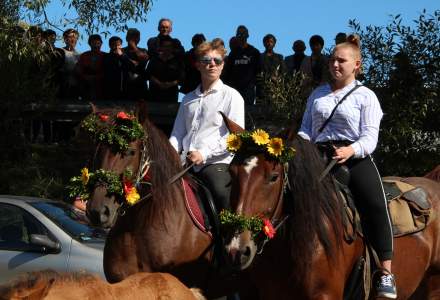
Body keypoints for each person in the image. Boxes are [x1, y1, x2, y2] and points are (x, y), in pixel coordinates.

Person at [298, 34, 396, 299]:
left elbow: (370, 138)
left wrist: (351, 150)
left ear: (357, 65)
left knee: (375, 204)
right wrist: (301, 148)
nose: (335, 65)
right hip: (317, 157)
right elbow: (306, 129)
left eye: (342, 60)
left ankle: (385, 272)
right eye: (332, 60)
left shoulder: (367, 96)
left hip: (354, 157)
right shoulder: (317, 95)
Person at [169, 39, 245, 212]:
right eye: (206, 61)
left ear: (222, 65)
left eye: (217, 61)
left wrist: (203, 154)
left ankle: (229, 236)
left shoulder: (232, 96)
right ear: (198, 65)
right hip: (183, 163)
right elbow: (177, 134)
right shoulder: (188, 99)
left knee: (221, 193)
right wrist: (169, 155)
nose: (212, 64)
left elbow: (235, 138)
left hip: (216, 164)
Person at [223, 25, 261, 105]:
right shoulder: (233, 53)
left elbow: (259, 70)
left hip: (249, 89)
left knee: (248, 113)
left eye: (243, 34)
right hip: (235, 89)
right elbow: (228, 71)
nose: (241, 37)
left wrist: (253, 83)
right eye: (239, 35)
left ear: (247, 35)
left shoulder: (254, 52)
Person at [146, 36, 185, 102]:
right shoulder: (154, 60)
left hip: (171, 96)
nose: (167, 48)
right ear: (161, 47)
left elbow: (182, 78)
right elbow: (147, 74)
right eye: (165, 46)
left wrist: (170, 84)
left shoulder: (178, 61)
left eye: (169, 46)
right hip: (154, 95)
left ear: (172, 48)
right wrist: (159, 83)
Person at [122, 28, 149, 100]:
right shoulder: (121, 51)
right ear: (127, 38)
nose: (133, 39)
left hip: (140, 86)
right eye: (131, 37)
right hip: (125, 86)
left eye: (136, 37)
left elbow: (143, 61)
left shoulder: (144, 51)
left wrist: (134, 47)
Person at [77, 34, 105, 100]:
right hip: (86, 84)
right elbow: (78, 69)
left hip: (101, 85)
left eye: (98, 43)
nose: (96, 45)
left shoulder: (105, 56)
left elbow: (108, 71)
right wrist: (85, 77)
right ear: (90, 44)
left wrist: (97, 77)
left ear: (101, 44)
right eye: (94, 43)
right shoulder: (84, 55)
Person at [60, 28, 80, 99]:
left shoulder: (79, 55)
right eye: (70, 37)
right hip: (61, 86)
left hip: (75, 86)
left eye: (75, 37)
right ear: (65, 39)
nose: (73, 39)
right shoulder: (60, 52)